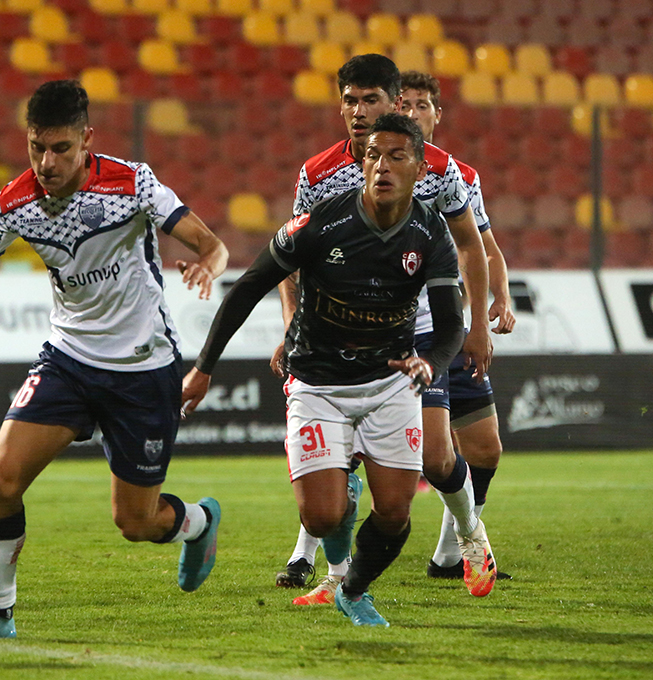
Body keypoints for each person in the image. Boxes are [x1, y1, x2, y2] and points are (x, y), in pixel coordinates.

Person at [0, 80, 229, 638]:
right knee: (1, 481)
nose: (47, 162)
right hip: (69, 361)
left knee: (135, 523)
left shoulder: (133, 184)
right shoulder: (16, 202)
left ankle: (198, 523)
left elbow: (210, 243)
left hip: (143, 368)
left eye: (60, 148)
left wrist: (208, 262)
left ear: (87, 140)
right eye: (37, 147)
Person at [183, 113, 466, 627]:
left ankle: (353, 590)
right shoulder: (320, 223)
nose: (381, 166)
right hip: (318, 382)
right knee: (321, 515)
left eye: (396, 156)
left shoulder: (431, 231)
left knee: (397, 512)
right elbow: (249, 286)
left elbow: (451, 326)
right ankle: (337, 502)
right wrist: (204, 367)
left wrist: (431, 362)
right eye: (373, 155)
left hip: (390, 383)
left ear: (421, 169)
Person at [273, 54, 497, 604]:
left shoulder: (436, 168)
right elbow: (293, 256)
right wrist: (291, 322)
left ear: (394, 105)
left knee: (438, 457)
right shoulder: (318, 172)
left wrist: (474, 325)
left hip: (419, 333)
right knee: (337, 458)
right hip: (340, 333)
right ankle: (334, 573)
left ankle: (473, 537)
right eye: (349, 100)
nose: (357, 111)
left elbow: (470, 243)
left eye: (370, 100)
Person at [400, 70, 517, 581]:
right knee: (426, 453)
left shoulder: (460, 177)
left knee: (485, 446)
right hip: (401, 331)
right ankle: (313, 555)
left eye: (422, 105)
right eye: (403, 104)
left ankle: (450, 554)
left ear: (437, 114)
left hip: (452, 329)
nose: (412, 113)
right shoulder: (369, 170)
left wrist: (499, 303)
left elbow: (485, 249)